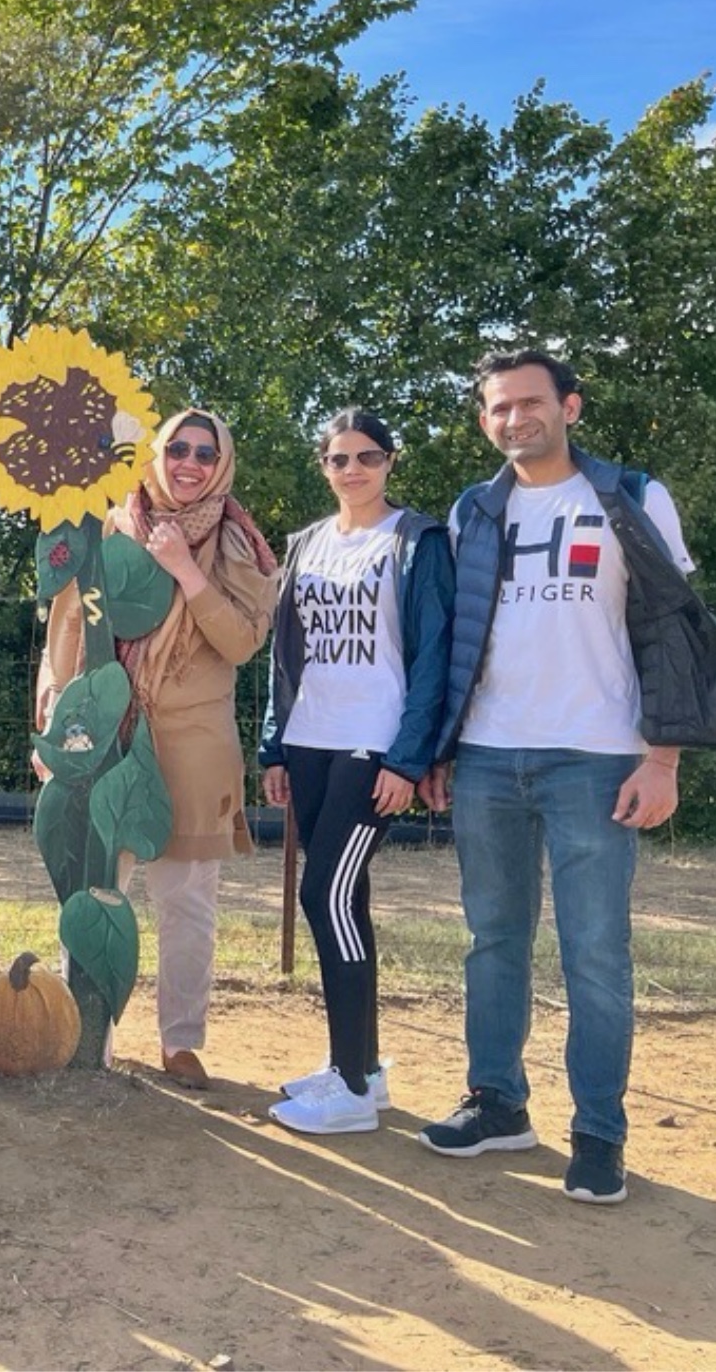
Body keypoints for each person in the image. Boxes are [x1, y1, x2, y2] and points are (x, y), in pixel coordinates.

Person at [418, 348, 716, 1204]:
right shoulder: (473, 509)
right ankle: (496, 1104)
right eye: (499, 407)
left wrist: (662, 758)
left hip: (597, 758)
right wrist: (442, 750)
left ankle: (599, 1133)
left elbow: (671, 631)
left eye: (530, 402)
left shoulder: (632, 495)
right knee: (492, 941)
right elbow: (459, 637)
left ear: (570, 407)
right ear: (484, 420)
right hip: (488, 754)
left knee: (594, 953)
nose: (514, 418)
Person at [257, 408, 454, 1134]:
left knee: (323, 895)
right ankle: (363, 1070)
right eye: (339, 459)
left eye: (368, 456)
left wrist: (410, 757)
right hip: (311, 738)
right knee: (348, 898)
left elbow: (435, 655)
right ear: (325, 467)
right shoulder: (306, 543)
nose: (353, 470)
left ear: (390, 462)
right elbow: (285, 654)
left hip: (374, 744)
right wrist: (275, 746)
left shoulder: (417, 540)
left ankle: (349, 1087)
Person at [95, 408, 279, 1089]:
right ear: (157, 454)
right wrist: (56, 717)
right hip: (112, 733)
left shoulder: (236, 543)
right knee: (98, 893)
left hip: (196, 742)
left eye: (206, 453)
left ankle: (180, 1042)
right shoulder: (113, 525)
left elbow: (241, 641)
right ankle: (90, 1035)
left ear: (221, 463)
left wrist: (183, 569)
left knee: (187, 906)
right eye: (178, 448)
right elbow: (72, 626)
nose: (190, 463)